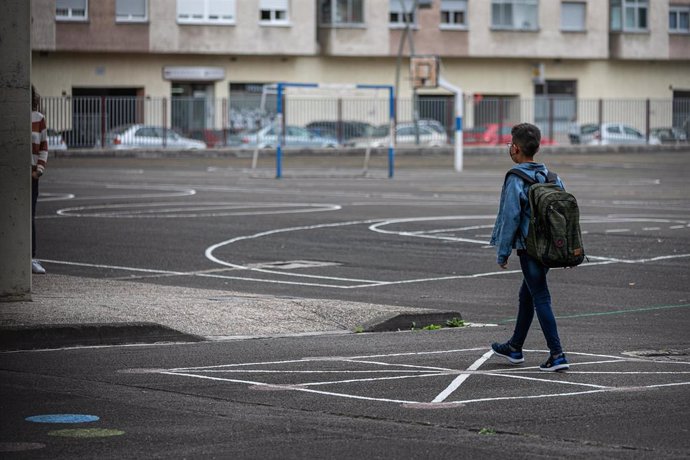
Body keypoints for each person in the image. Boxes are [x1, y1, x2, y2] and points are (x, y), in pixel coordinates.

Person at [489, 122, 569, 372]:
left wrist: (503, 252)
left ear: (515, 148)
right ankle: (515, 347)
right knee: (528, 295)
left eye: (510, 144)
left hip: (530, 249)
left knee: (541, 297)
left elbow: (510, 217)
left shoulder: (516, 178)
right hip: (549, 249)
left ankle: (557, 354)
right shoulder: (552, 177)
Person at [31, 85, 48, 274]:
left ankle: (31, 257)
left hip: (33, 174)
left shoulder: (38, 119)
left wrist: (39, 170)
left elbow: (44, 146)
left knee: (30, 216)